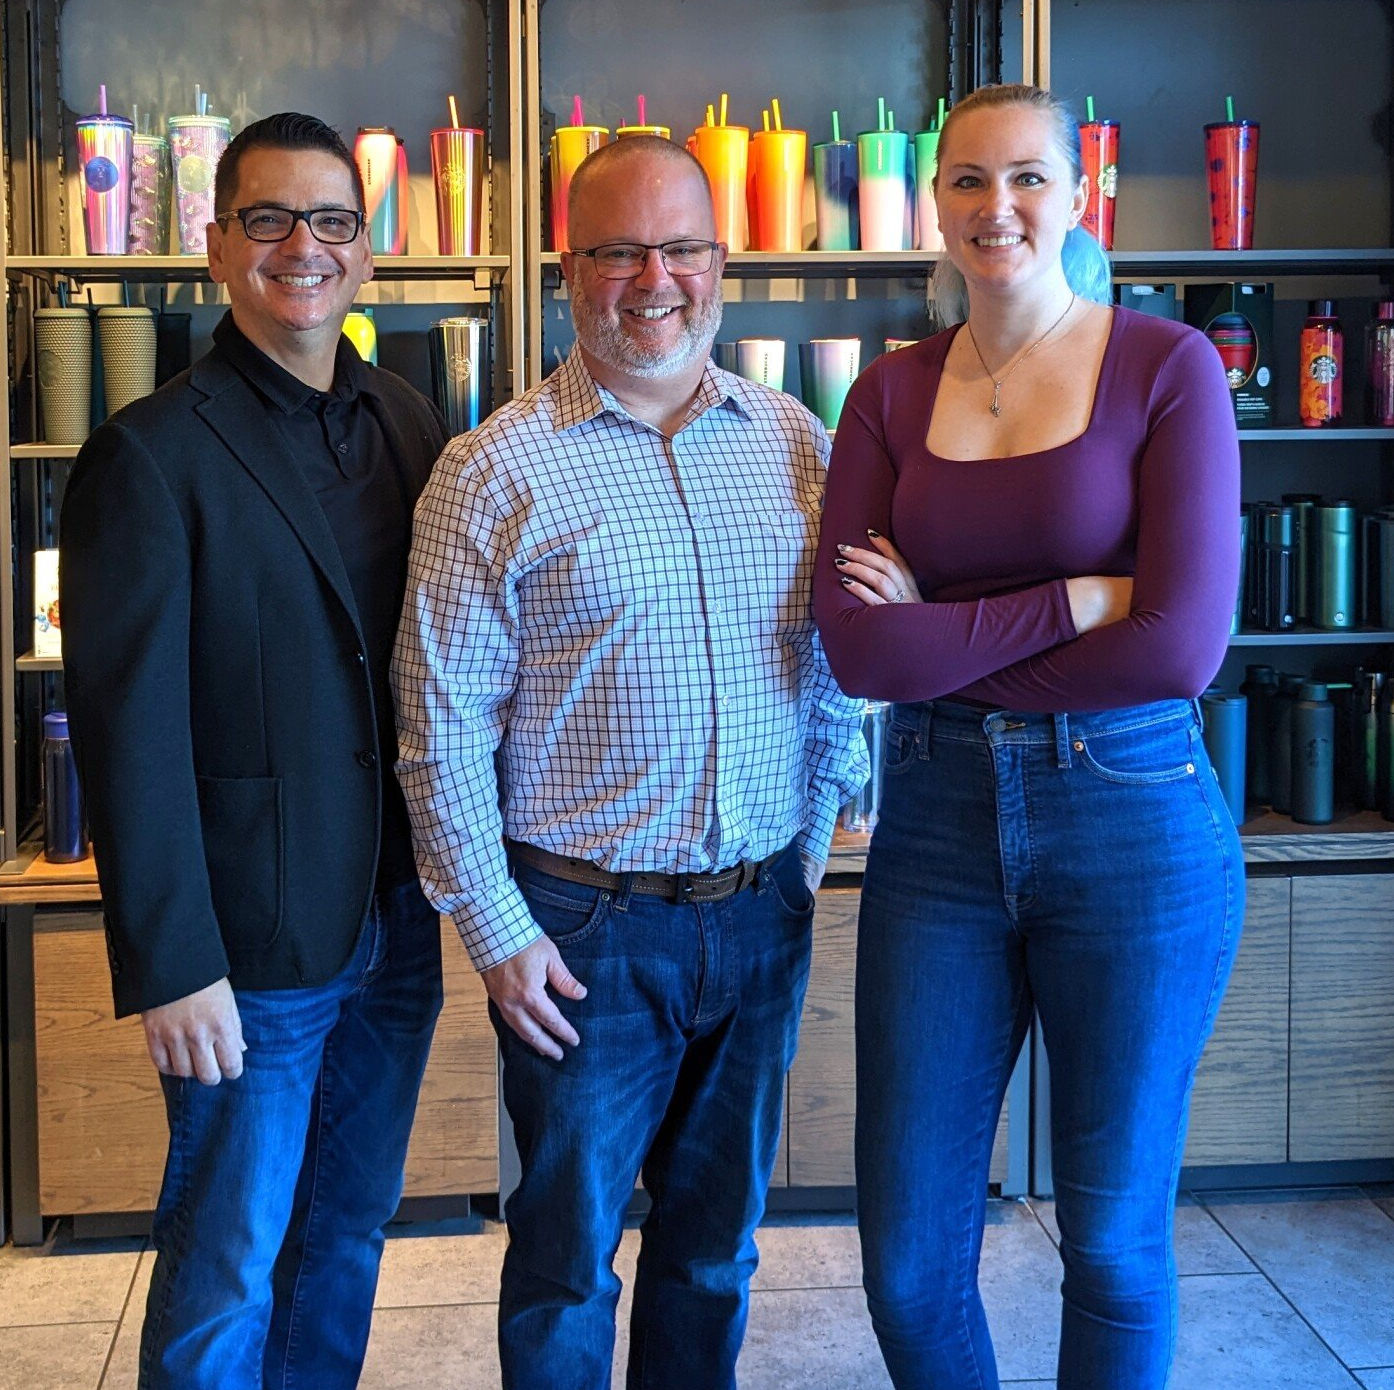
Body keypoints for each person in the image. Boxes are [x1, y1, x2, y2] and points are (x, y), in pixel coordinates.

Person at [394, 135, 868, 1390]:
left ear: (722, 264)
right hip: (580, 935)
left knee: (713, 1254)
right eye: (618, 251)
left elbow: (828, 671)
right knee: (564, 1265)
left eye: (683, 249)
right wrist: (496, 933)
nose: (653, 278)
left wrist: (805, 851)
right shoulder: (489, 469)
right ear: (568, 271)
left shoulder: (795, 444)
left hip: (760, 912)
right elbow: (436, 726)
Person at [813, 84, 1243, 1390]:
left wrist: (944, 624)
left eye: (1026, 179)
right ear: (931, 198)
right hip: (934, 822)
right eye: (965, 180)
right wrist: (1074, 599)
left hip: (1130, 813)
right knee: (902, 1260)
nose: (994, 207)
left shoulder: (1165, 368)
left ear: (1078, 196)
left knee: (1109, 1242)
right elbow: (859, 649)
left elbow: (1177, 648)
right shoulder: (887, 395)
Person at [61, 112, 447, 1389]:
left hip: (396, 920)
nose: (302, 245)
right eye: (268, 219)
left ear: (367, 252)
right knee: (226, 1260)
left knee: (343, 1237)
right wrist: (171, 963)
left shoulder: (410, 421)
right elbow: (130, 729)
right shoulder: (147, 451)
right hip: (246, 950)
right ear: (217, 244)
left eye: (330, 220)